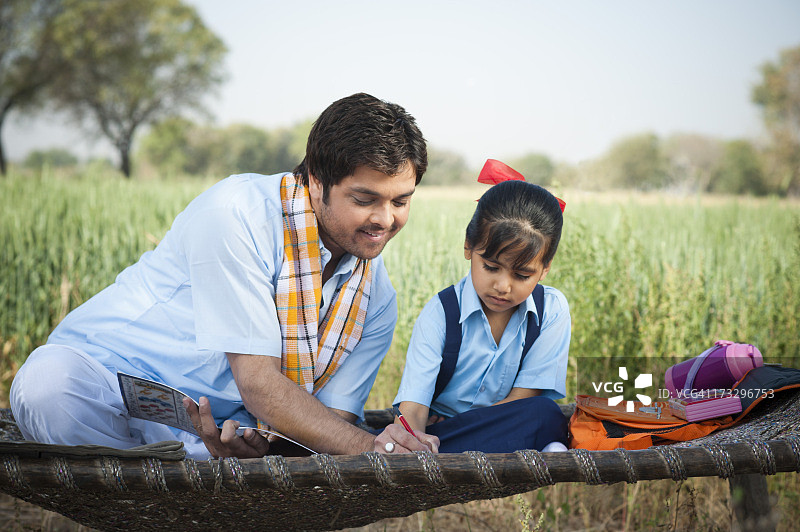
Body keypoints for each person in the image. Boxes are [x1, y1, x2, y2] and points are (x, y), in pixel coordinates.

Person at [10, 93, 435, 459]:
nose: (385, 219)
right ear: (317, 181)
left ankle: (185, 476)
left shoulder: (376, 299)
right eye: (365, 199)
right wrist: (374, 449)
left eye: (401, 201)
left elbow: (331, 422)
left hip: (210, 434)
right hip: (103, 387)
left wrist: (260, 448)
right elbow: (259, 385)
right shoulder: (238, 214)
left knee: (233, 463)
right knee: (50, 388)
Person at [392, 159, 571, 453]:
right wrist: (412, 438)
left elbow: (523, 400)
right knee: (407, 436)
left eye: (522, 275)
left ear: (545, 268)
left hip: (504, 423)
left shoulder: (551, 310)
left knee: (543, 413)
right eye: (490, 267)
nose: (503, 286)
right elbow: (414, 408)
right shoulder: (441, 313)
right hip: (443, 432)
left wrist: (469, 422)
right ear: (468, 247)